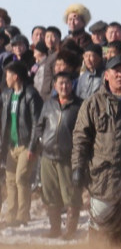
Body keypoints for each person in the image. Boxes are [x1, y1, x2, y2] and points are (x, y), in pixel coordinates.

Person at [71, 55, 121, 227]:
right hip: (103, 181)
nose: (120, 75)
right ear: (106, 75)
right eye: (116, 71)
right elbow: (80, 139)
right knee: (101, 232)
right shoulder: (93, 104)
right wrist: (77, 167)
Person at [36, 68, 82, 238]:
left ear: (72, 85)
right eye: (61, 83)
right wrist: (40, 141)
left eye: (67, 83)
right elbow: (39, 125)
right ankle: (55, 229)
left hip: (68, 158)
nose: (64, 86)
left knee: (71, 196)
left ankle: (70, 230)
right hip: (48, 156)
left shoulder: (79, 105)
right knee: (50, 195)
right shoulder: (48, 104)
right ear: (55, 85)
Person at [0, 61, 43, 227]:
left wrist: (33, 147)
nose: (6, 78)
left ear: (16, 76)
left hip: (26, 145)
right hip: (11, 146)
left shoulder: (31, 94)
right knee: (10, 180)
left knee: (21, 178)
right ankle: (11, 215)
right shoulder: (6, 95)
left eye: (8, 74)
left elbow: (36, 123)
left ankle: (23, 215)